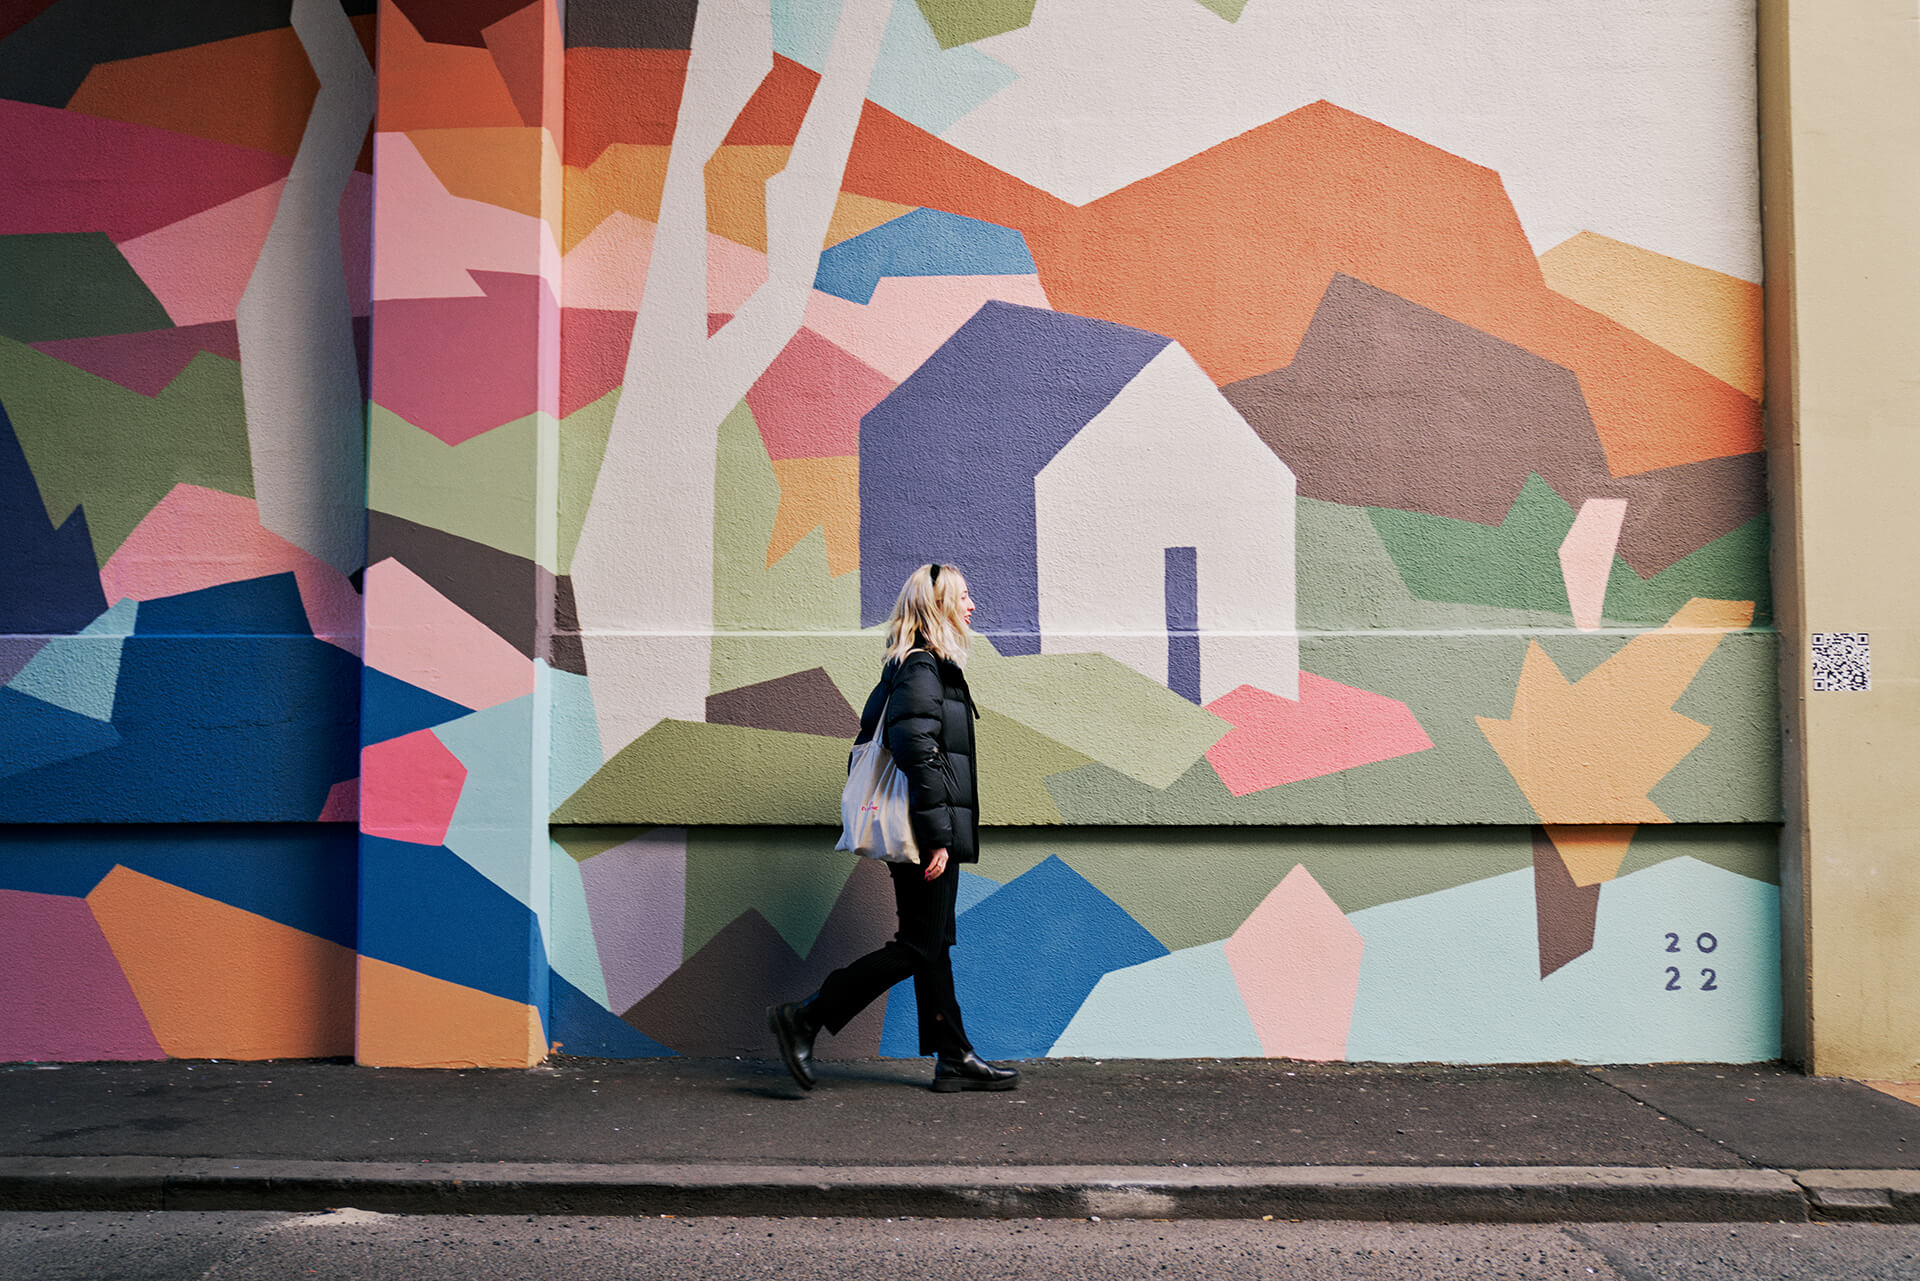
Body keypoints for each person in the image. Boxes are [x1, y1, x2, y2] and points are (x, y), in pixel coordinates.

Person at [768, 563, 1019, 1094]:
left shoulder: (917, 667)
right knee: (918, 945)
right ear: (939, 607)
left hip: (920, 824)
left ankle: (953, 1055)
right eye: (965, 597)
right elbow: (916, 751)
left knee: (932, 941)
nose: (973, 606)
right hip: (923, 831)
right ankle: (805, 1017)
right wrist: (938, 837)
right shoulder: (923, 669)